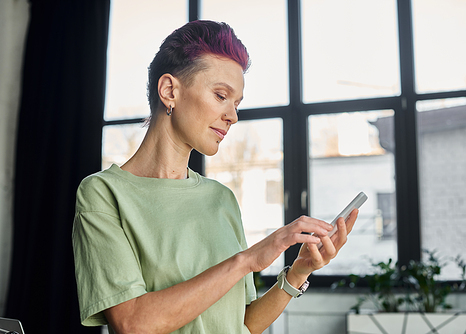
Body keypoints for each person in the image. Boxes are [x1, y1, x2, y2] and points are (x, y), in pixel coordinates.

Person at [72, 20, 358, 334]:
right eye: (221, 96)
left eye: (237, 104)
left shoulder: (221, 199)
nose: (233, 116)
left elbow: (243, 324)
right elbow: (133, 323)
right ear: (170, 90)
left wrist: (297, 274)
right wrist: (246, 260)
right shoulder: (103, 194)